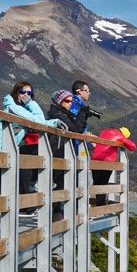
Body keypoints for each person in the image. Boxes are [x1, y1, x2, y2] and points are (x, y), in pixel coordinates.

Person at [0, 81, 67, 240]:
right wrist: (32, 103)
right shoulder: (9, 105)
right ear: (16, 92)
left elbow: (38, 121)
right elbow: (36, 120)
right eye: (23, 92)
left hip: (9, 155)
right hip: (0, 154)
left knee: (0, 191)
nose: (26, 95)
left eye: (30, 93)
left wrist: (53, 123)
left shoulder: (21, 109)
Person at [46, 89, 84, 220]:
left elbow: (78, 128)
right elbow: (76, 130)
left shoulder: (64, 114)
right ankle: (56, 215)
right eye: (67, 101)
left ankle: (60, 213)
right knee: (59, 183)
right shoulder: (56, 114)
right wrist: (82, 113)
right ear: (58, 101)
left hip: (62, 151)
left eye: (71, 102)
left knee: (62, 183)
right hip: (57, 150)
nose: (70, 104)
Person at [91, 126, 136, 206]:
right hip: (107, 163)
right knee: (103, 184)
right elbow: (132, 147)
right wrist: (123, 143)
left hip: (95, 160)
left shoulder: (104, 131)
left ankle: (96, 207)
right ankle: (100, 207)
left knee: (97, 183)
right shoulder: (120, 136)